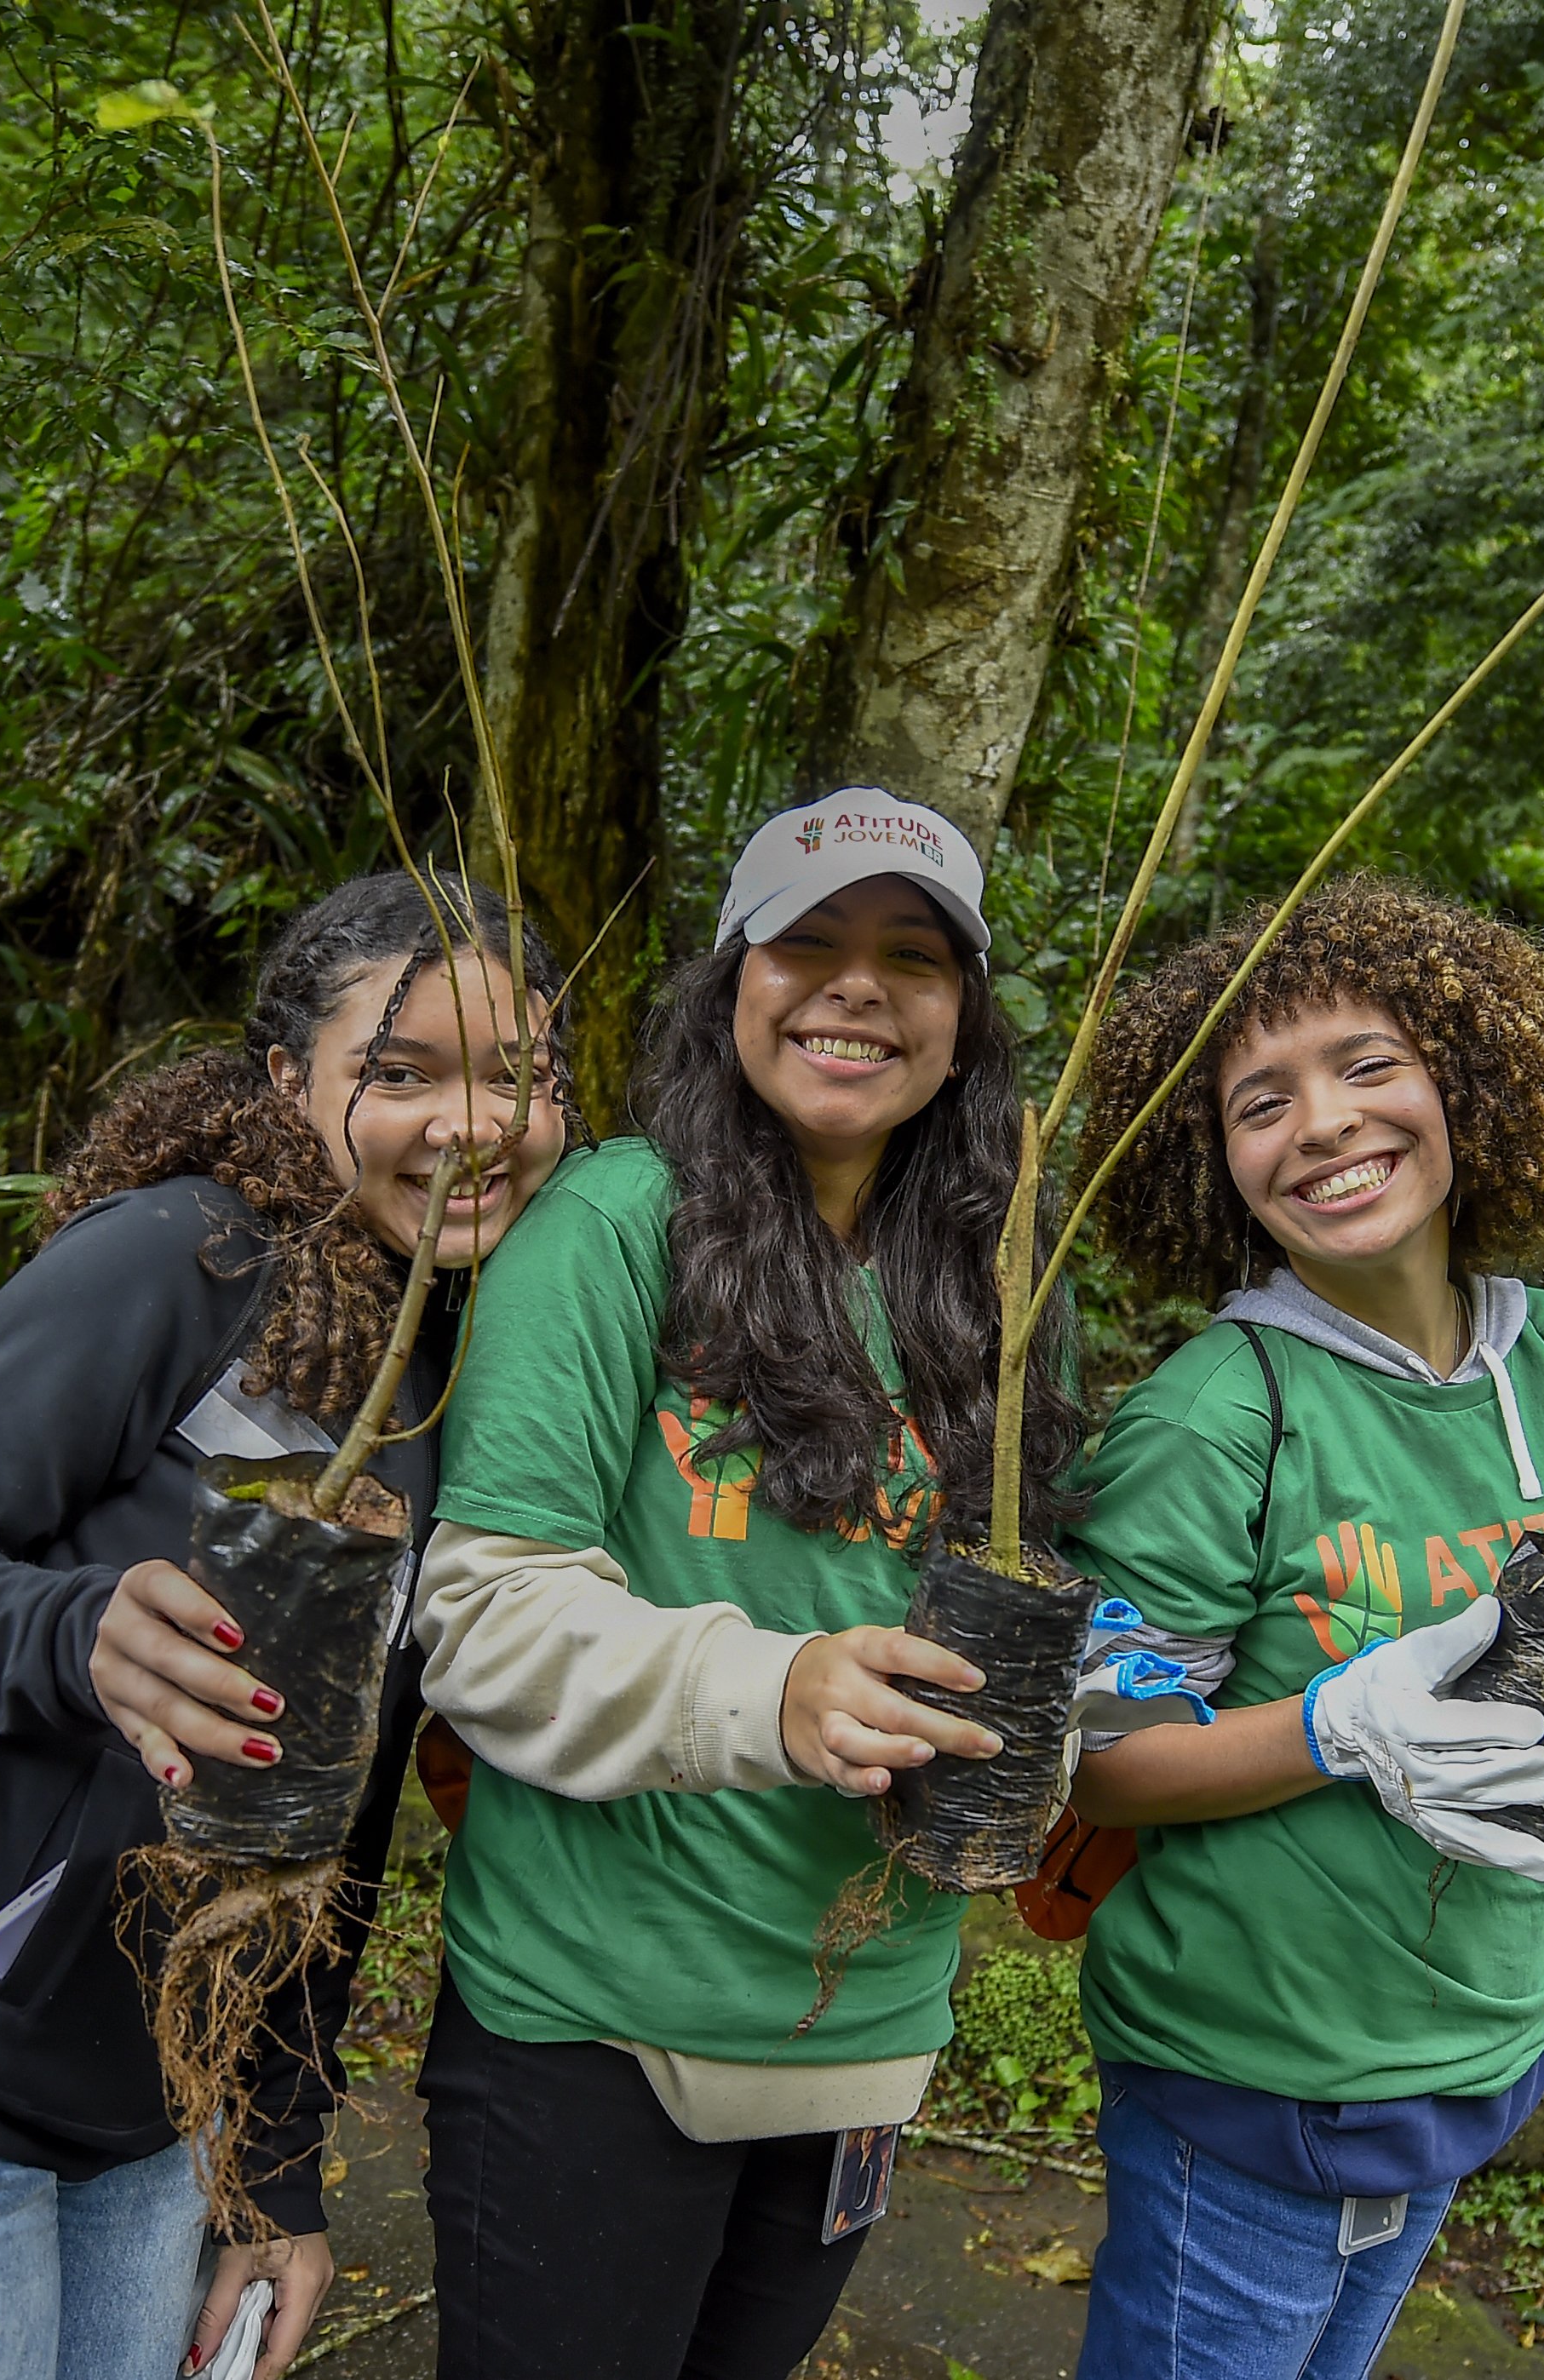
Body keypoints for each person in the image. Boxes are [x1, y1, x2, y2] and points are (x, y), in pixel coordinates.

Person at [0, 868, 569, 2380]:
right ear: (290, 1083)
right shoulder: (186, 1258)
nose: (469, 1125)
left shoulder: (467, 1367)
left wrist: (266, 2169)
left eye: (518, 1078)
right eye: (400, 1073)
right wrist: (75, 1632)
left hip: (153, 2118)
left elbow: (332, 1822)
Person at [403, 787, 1083, 2380]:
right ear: (732, 988)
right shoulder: (615, 1226)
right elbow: (487, 1609)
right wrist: (770, 1691)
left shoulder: (1002, 1285)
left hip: (867, 2026)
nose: (859, 986)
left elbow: (1041, 1613)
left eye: (912, 958)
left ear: (965, 1020)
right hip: (599, 2021)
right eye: (809, 944)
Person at [1059, 874, 1544, 2380]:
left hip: (1478, 2035)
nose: (1326, 1123)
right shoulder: (1213, 1418)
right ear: (1212, 1167)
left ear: (1468, 1085)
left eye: (1367, 1066)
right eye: (1258, 1103)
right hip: (1259, 2067)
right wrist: (1346, 1727)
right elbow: (1101, 1768)